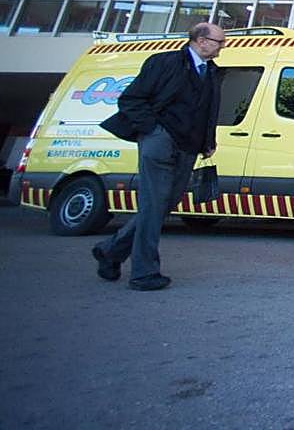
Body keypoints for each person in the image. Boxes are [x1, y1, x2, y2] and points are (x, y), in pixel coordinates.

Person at [92, 22, 224, 291]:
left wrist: (208, 141)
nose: (223, 46)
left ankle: (111, 250)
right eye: (219, 41)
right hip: (160, 143)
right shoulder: (164, 62)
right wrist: (154, 131)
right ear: (201, 40)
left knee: (163, 205)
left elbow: (207, 111)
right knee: (154, 204)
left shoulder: (211, 72)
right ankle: (144, 273)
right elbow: (131, 100)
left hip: (188, 147)